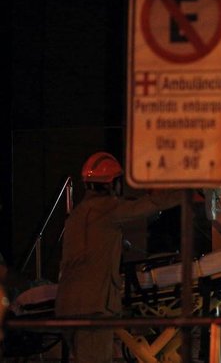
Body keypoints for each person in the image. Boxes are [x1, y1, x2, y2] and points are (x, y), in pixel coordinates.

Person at [54, 152, 184, 363]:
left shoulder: (78, 214)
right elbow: (151, 204)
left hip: (67, 306)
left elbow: (89, 248)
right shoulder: (108, 209)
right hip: (94, 308)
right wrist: (188, 191)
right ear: (112, 183)